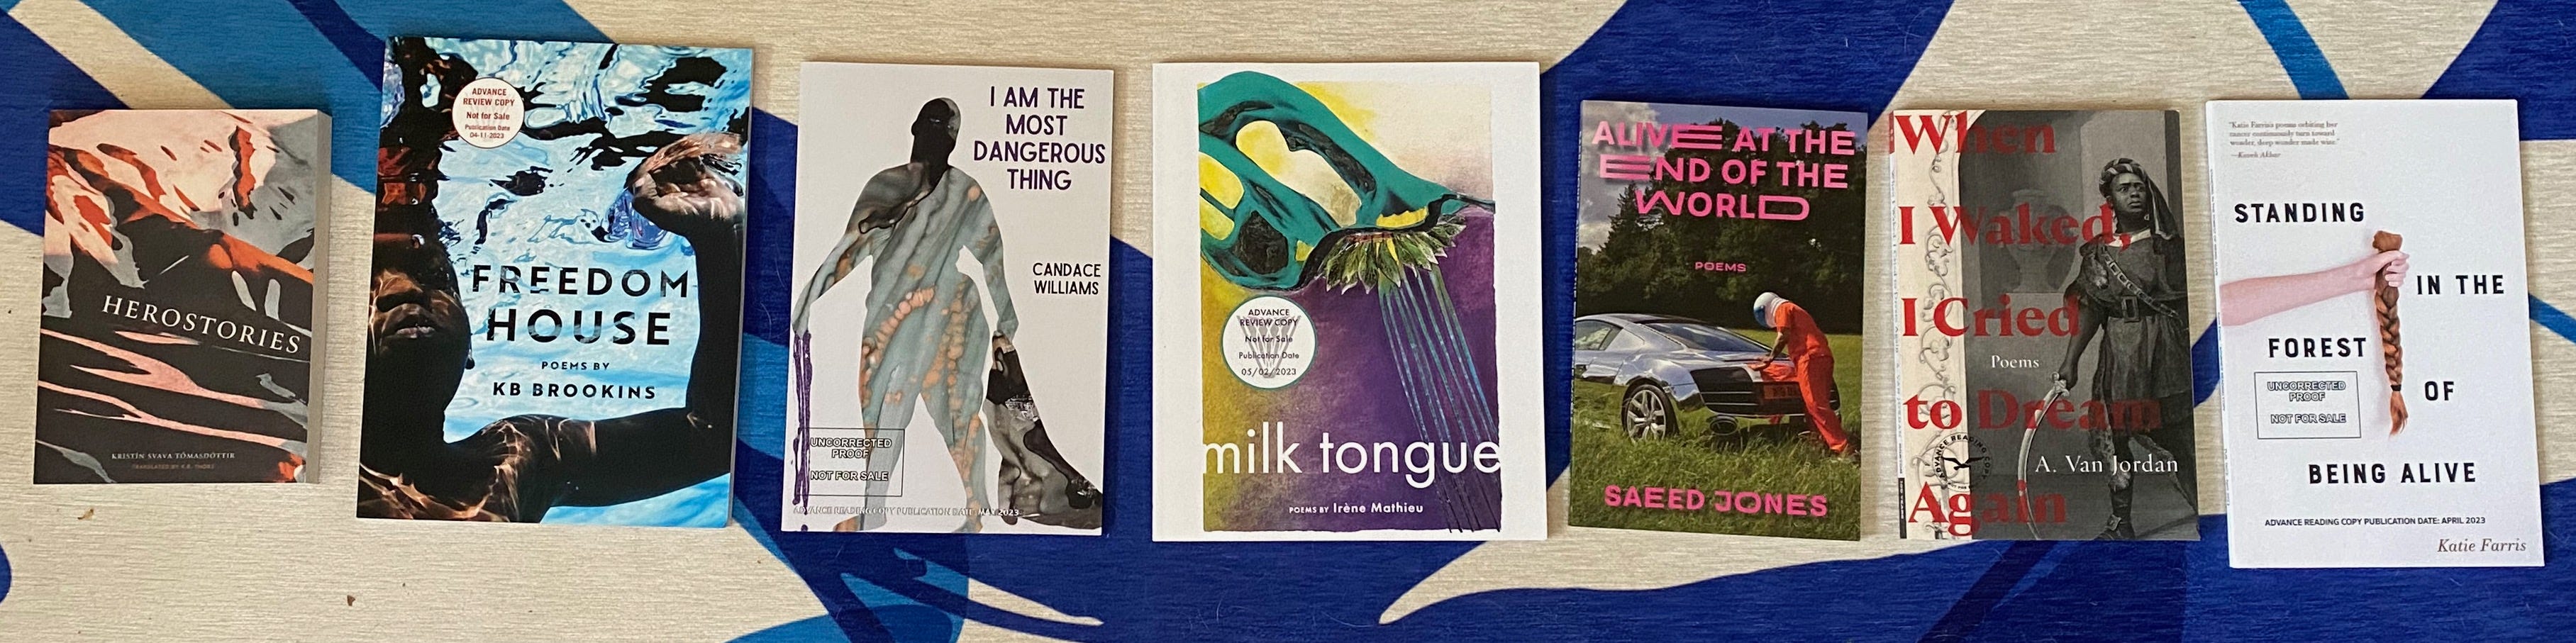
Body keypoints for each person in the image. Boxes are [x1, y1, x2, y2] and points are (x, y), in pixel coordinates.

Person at [356, 38, 743, 521]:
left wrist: (718, 242)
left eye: (435, 275)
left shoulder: (517, 460)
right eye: (369, 281)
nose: (404, 287)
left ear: (473, 345)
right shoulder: (288, 446)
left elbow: (711, 438)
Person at [793, 98, 1098, 532]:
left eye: (946, 130)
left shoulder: (965, 192)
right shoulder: (888, 184)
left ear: (955, 140)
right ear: (915, 128)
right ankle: (874, 509)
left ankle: (974, 513)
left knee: (955, 414)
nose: (938, 136)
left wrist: (1005, 324)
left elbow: (992, 256)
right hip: (891, 315)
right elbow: (851, 247)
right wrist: (810, 298)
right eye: (932, 126)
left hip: (952, 311)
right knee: (879, 410)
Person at [2051, 157, 2192, 539]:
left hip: (2166, 351)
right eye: (2124, 188)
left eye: (2139, 187)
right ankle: (2120, 523)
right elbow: (2089, 311)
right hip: (2120, 352)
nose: (2134, 193)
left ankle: (2208, 514)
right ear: (2109, 200)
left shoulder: (2171, 249)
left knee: (2181, 437)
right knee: (2115, 436)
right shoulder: (2098, 255)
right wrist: (2070, 362)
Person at [1753, 292, 1849, 456]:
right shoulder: (1795, 309)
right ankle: (1820, 441)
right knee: (1814, 404)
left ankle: (1842, 448)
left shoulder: (1783, 308)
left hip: (1809, 357)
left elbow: (1783, 336)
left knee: (1815, 405)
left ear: (1766, 308)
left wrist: (1770, 358)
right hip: (1821, 356)